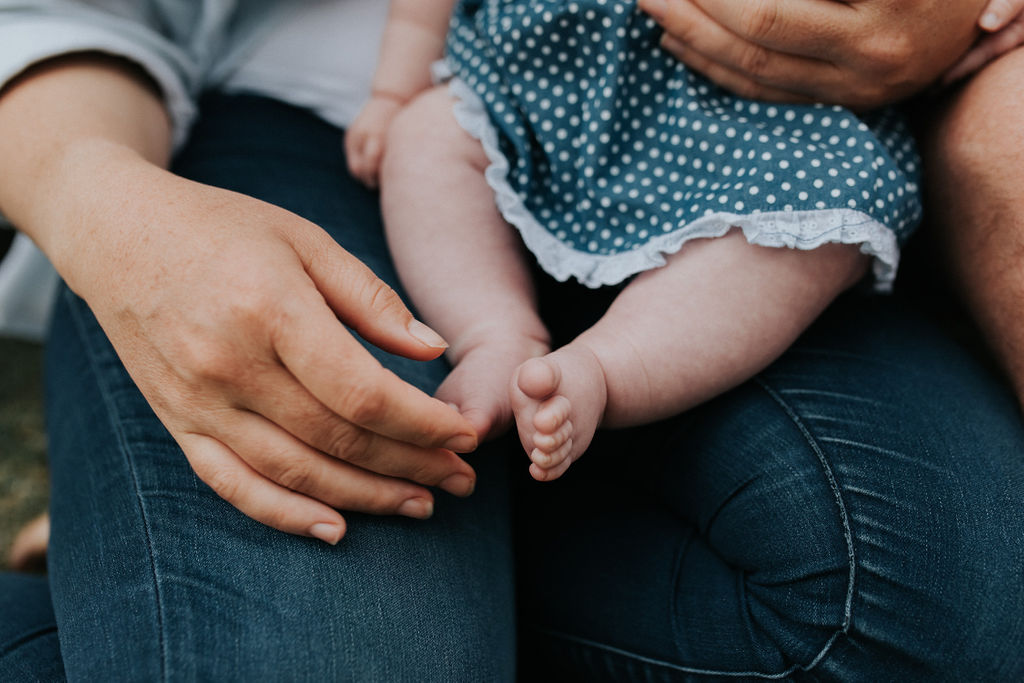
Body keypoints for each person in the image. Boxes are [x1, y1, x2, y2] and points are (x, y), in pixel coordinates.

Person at [0, 1, 1021, 681]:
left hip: (762, 147)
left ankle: (152, 570)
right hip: (431, 95)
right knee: (319, 653)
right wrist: (100, 200)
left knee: (943, 611)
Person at [346, 0, 920, 482]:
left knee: (807, 224)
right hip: (552, 81)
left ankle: (605, 369)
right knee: (427, 135)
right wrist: (395, 92)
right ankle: (491, 334)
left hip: (762, 117)